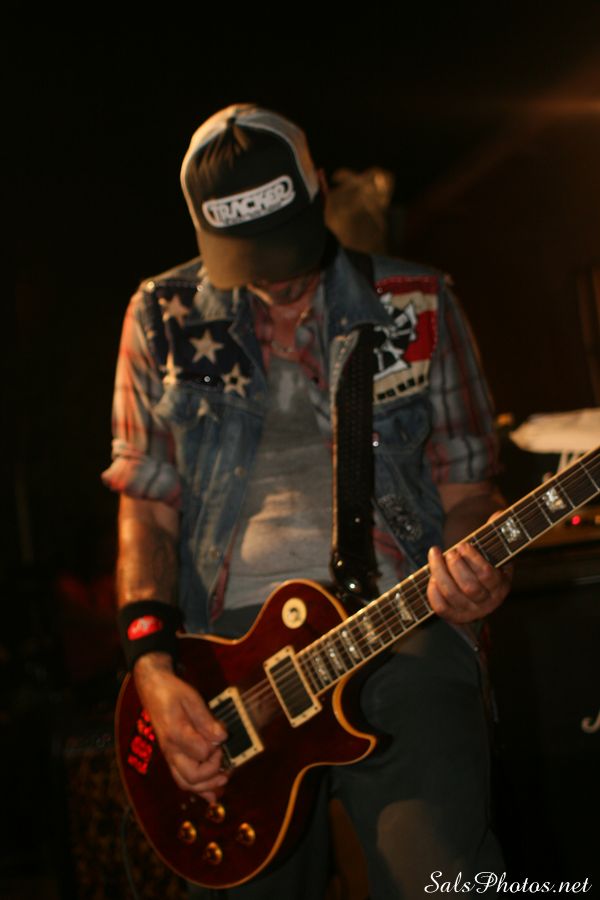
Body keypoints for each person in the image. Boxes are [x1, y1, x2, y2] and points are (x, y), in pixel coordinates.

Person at [103, 103, 512, 899]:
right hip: (228, 664)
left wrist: (477, 569)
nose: (275, 277)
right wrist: (151, 665)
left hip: (399, 623)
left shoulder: (417, 303)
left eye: (284, 243)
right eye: (245, 256)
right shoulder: (160, 316)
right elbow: (145, 510)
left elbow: (470, 492)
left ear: (319, 185)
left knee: (446, 881)